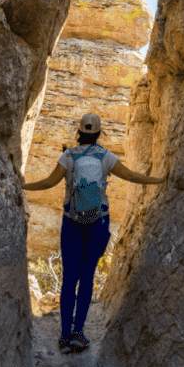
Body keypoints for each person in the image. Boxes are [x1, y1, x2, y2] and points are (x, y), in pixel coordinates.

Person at [21, 111, 164, 353]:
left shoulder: (69, 156)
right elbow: (130, 175)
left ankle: (64, 336)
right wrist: (158, 181)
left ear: (79, 131)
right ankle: (79, 334)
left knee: (69, 280)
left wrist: (22, 185)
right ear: (99, 133)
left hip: (72, 223)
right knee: (86, 278)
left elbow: (47, 183)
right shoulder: (105, 156)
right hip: (98, 223)